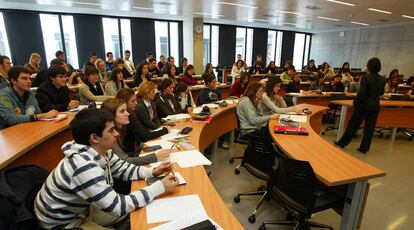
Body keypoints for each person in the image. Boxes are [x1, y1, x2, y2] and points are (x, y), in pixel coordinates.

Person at [34, 108, 178, 229]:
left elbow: (123, 169)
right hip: (65, 224)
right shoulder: (83, 166)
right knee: (137, 212)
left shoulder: (99, 149)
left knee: (140, 212)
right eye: (111, 130)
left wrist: (152, 172)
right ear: (94, 138)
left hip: (84, 210)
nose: (116, 134)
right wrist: (160, 187)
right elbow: (118, 206)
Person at [334, 58, 386, 154]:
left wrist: (356, 102)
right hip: (375, 106)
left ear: (369, 66)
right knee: (369, 128)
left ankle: (343, 143)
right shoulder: (382, 79)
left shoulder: (366, 78)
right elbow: (381, 93)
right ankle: (364, 148)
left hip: (363, 106)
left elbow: (361, 93)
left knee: (353, 125)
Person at [101, 98, 171, 166]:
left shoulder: (123, 128)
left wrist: (146, 146)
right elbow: (124, 161)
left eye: (126, 110)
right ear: (111, 115)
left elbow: (131, 149)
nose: (128, 113)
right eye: (122, 111)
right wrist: (155, 157)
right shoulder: (110, 135)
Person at [116, 88, 168, 153]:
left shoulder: (134, 111)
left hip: (136, 146)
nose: (136, 103)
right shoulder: (129, 115)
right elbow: (144, 135)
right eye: (133, 101)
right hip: (132, 151)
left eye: (136, 100)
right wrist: (164, 130)